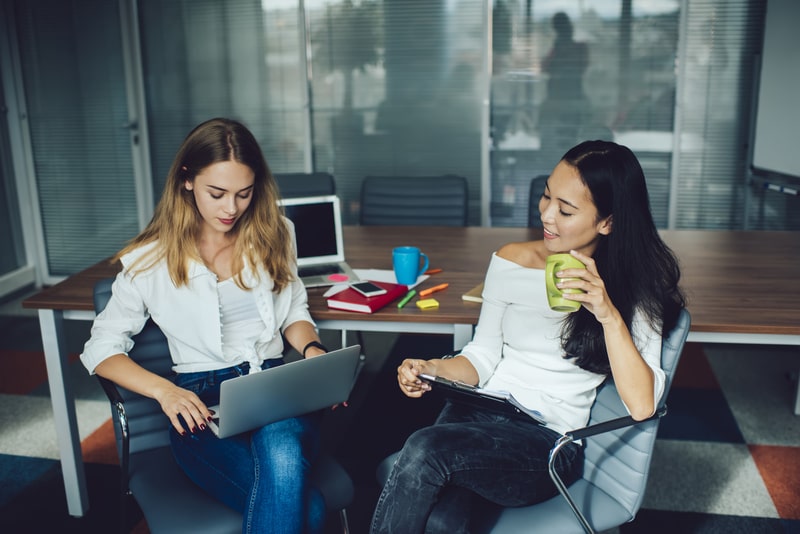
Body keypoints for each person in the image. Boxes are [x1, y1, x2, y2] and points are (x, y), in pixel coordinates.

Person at [370, 140, 685, 533]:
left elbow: (642, 405)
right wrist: (431, 368)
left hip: (545, 441)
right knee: (444, 520)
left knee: (422, 448)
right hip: (475, 410)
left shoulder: (634, 288)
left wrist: (607, 314)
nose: (547, 215)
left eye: (566, 209)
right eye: (546, 197)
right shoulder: (510, 260)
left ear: (608, 221)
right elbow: (482, 356)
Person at [80, 117, 330, 534]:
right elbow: (100, 349)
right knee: (314, 509)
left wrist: (313, 353)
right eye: (217, 193)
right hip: (199, 403)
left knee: (281, 443)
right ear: (187, 181)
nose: (231, 208)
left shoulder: (276, 234)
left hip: (274, 387)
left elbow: (294, 311)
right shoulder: (151, 260)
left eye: (243, 193)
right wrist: (166, 392)